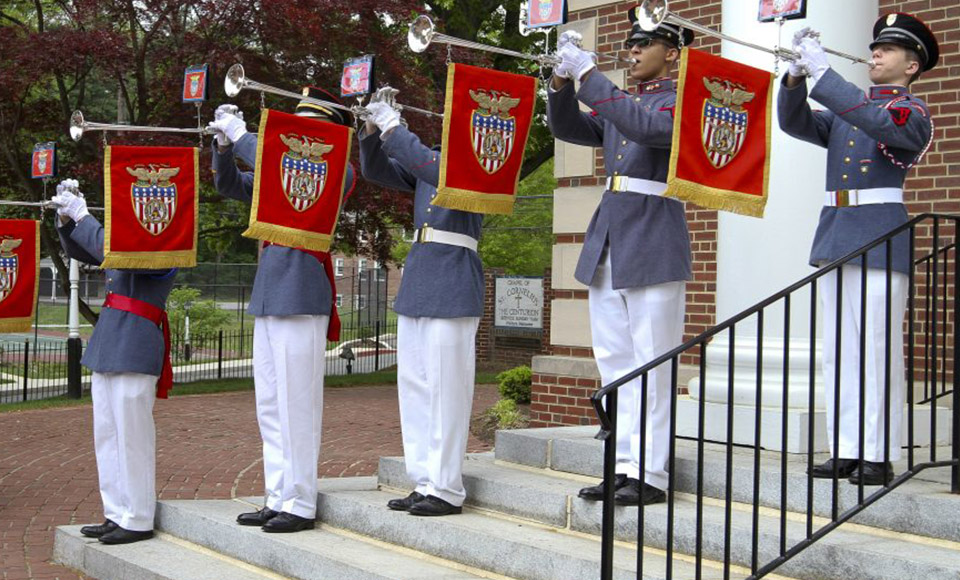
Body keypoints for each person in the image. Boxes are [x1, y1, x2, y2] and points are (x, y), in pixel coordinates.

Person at [779, 14, 939, 486]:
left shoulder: (911, 112)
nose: (875, 55)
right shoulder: (851, 111)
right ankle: (846, 447)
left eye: (887, 50)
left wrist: (825, 75)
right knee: (840, 350)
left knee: (876, 349)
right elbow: (795, 123)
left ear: (910, 67)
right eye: (875, 48)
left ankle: (878, 452)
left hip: (879, 235)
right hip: (837, 232)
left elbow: (877, 121)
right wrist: (795, 76)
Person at [547, 8, 694, 506]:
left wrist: (590, 74)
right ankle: (621, 465)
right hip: (609, 237)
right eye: (629, 44)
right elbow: (567, 126)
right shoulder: (622, 104)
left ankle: (650, 472)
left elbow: (649, 130)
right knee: (614, 364)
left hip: (653, 237)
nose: (631, 51)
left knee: (651, 363)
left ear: (671, 53)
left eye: (642, 44)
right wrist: (562, 81)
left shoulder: (681, 101)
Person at [208, 88, 355, 532]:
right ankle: (278, 494)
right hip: (272, 291)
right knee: (270, 404)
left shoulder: (338, 170)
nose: (297, 133)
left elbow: (273, 155)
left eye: (308, 126)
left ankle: (300, 501)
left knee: (297, 404)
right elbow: (229, 184)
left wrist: (244, 134)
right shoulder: (277, 174)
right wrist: (223, 145)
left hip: (301, 289)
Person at [358, 90, 483, 517]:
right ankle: (424, 479)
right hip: (421, 280)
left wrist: (395, 125)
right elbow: (375, 169)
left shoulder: (474, 162)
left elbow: (424, 161)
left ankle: (447, 487)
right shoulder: (429, 164)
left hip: (452, 279)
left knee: (446, 391)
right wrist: (373, 128)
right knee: (414, 388)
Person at [52, 179, 177, 544]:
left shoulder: (162, 244)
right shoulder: (123, 243)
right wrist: (67, 220)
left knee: (132, 437)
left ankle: (137, 517)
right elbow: (86, 252)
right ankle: (116, 511)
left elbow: (117, 250)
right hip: (111, 340)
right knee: (107, 435)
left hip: (136, 342)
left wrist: (85, 217)